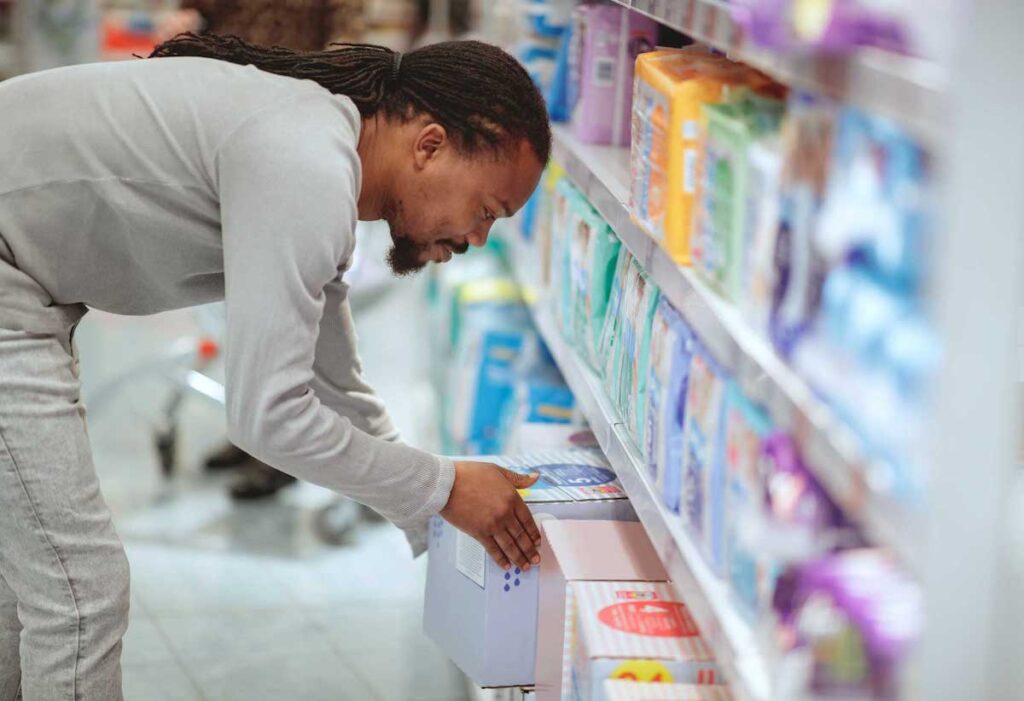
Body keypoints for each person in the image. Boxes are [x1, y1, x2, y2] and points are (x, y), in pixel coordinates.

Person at [0, 35, 549, 700]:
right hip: (12, 279)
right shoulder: (307, 163)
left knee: (26, 584)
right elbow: (268, 416)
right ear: (429, 145)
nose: (476, 239)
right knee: (79, 593)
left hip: (28, 283)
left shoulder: (319, 153)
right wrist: (443, 486)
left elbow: (336, 386)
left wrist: (440, 521)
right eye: (486, 211)